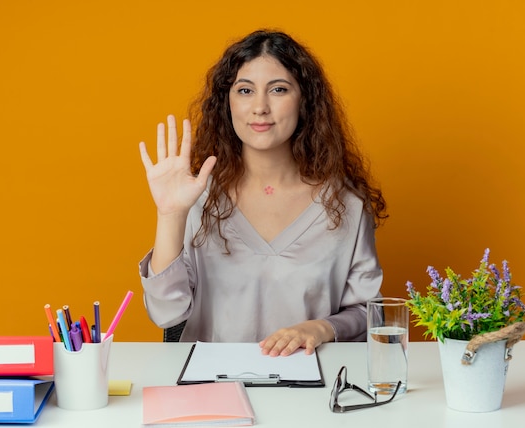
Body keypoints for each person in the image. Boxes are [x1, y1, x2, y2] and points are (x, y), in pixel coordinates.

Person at [138, 29, 387, 357]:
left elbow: (373, 314)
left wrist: (321, 327)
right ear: (227, 102)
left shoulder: (346, 206)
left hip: (312, 390)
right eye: (244, 90)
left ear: (305, 101)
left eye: (279, 90)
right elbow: (165, 314)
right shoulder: (195, 196)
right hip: (215, 391)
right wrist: (170, 215)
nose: (260, 107)